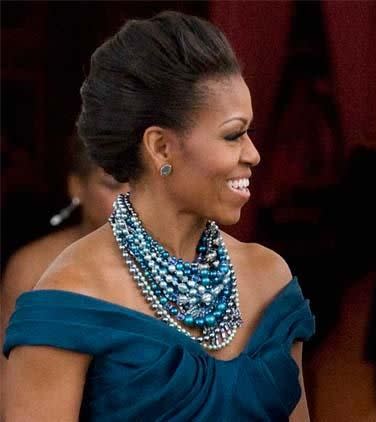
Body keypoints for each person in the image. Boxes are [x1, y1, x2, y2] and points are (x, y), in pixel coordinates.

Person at [3, 11, 314, 421]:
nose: (253, 154)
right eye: (234, 134)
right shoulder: (71, 298)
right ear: (161, 148)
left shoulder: (270, 277)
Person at [0, 135, 128, 410]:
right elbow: (6, 383)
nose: (133, 199)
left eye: (144, 183)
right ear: (76, 186)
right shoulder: (33, 267)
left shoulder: (186, 265)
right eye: (114, 184)